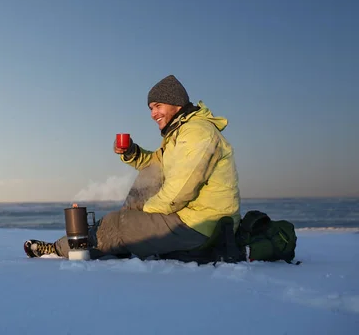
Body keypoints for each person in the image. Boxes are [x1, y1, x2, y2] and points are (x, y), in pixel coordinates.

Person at [24, 74, 241, 260]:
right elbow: (155, 165)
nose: (153, 114)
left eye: (158, 106)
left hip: (202, 226)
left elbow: (180, 190)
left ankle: (59, 249)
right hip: (191, 218)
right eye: (151, 108)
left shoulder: (197, 133)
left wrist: (143, 213)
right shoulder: (178, 135)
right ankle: (80, 243)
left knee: (118, 223)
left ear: (176, 103)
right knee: (140, 191)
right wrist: (131, 152)